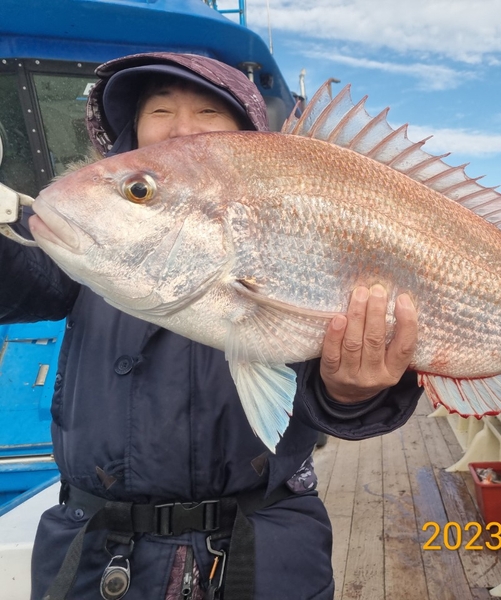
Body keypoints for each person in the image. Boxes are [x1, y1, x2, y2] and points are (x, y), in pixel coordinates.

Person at [0, 52, 423, 599]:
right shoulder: (87, 250)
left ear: (245, 143)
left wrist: (351, 393)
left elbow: (330, 400)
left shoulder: (296, 241)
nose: (180, 127)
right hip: (94, 551)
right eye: (159, 110)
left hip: (266, 549)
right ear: (133, 130)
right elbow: (17, 278)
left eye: (207, 111)